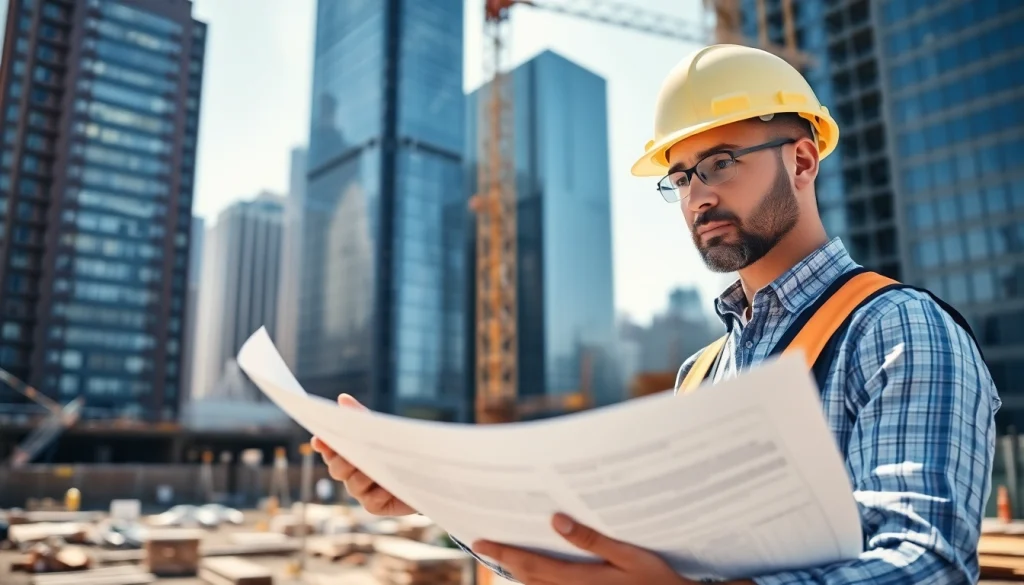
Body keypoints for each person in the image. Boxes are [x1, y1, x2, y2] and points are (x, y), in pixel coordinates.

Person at [311, 44, 1001, 584]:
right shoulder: (700, 374)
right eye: (682, 175)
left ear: (801, 159)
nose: (697, 194)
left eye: (721, 161)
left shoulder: (896, 329)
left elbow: (926, 563)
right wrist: (432, 493)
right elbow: (604, 559)